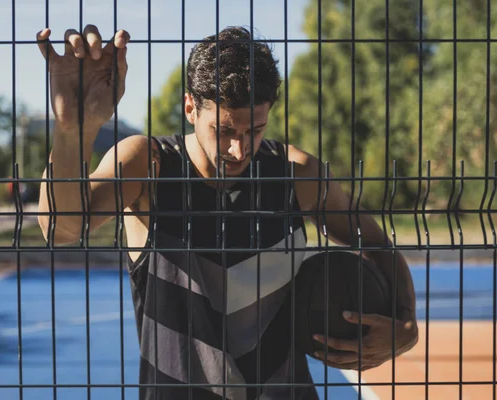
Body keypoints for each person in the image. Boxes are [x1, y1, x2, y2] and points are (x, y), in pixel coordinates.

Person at [35, 25, 418, 400]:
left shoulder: (294, 173)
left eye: (255, 129)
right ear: (190, 107)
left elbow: (375, 239)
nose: (239, 149)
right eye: (224, 130)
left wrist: (405, 322)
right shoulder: (149, 165)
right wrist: (74, 130)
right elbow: (62, 229)